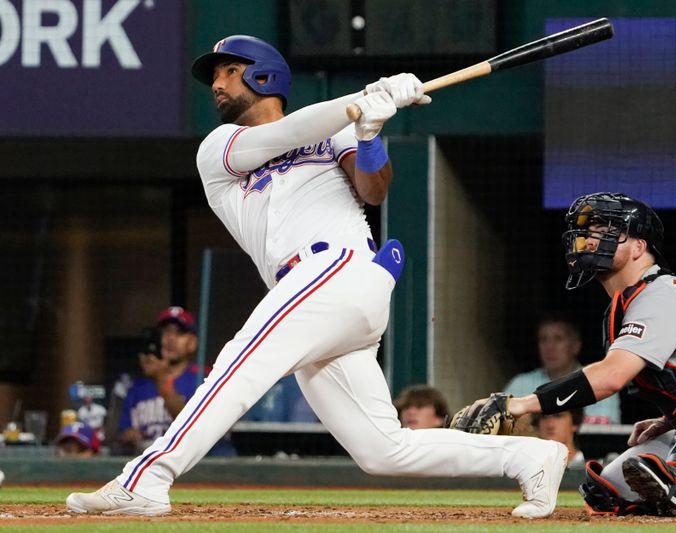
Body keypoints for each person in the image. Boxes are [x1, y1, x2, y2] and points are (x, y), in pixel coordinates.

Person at [66, 35, 567, 518]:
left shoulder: (340, 129)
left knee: (238, 364)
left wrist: (369, 134)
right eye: (215, 75)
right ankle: (528, 457)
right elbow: (288, 133)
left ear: (264, 76)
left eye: (229, 72)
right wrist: (366, 97)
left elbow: (374, 191)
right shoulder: (219, 148)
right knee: (383, 450)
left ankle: (146, 479)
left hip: (338, 270)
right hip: (313, 293)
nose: (217, 84)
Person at [475, 192, 676, 517]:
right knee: (608, 490)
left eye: (607, 231)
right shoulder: (630, 304)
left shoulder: (660, 294)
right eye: (590, 232)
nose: (590, 239)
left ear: (639, 247)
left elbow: (612, 376)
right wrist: (672, 420)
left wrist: (517, 404)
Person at [115, 306, 202, 454]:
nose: (171, 338)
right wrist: (129, 436)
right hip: (146, 464)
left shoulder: (204, 379)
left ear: (192, 343)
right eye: (166, 331)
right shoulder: (136, 387)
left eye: (179, 333)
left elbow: (194, 430)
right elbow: (117, 435)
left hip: (190, 467)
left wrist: (162, 379)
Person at [504, 316, 620, 424]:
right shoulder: (520, 383)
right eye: (543, 339)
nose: (549, 347)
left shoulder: (600, 381)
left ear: (576, 346)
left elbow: (607, 428)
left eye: (558, 339)